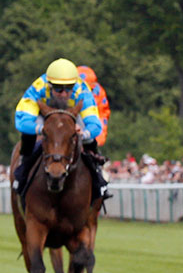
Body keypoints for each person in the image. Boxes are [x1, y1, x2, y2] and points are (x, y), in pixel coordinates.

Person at [12, 58, 105, 199]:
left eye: (68, 89)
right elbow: (22, 122)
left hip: (72, 114)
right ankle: (22, 174)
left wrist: (84, 134)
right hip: (44, 114)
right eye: (58, 89)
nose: (64, 94)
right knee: (27, 135)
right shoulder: (37, 88)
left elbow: (95, 125)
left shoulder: (82, 91)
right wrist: (42, 129)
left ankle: (99, 180)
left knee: (90, 140)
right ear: (49, 86)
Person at [77, 65, 110, 148]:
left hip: (88, 129)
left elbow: (102, 116)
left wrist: (99, 138)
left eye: (90, 89)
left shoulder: (99, 93)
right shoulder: (67, 91)